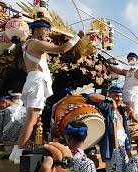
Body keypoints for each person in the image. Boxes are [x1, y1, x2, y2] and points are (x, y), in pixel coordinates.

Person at [10, 19, 84, 164]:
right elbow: (62, 49)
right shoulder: (35, 43)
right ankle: (18, 154)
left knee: (31, 120)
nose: (48, 33)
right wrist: (78, 37)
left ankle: (15, 154)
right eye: (46, 30)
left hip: (33, 81)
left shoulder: (27, 45)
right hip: (36, 82)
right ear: (37, 30)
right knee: (31, 120)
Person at [87, 86, 138, 172]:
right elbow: (90, 96)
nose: (118, 98)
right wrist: (110, 100)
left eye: (120, 96)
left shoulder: (121, 109)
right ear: (109, 95)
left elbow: (128, 109)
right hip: (113, 147)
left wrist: (132, 113)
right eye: (116, 96)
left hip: (125, 147)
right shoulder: (106, 106)